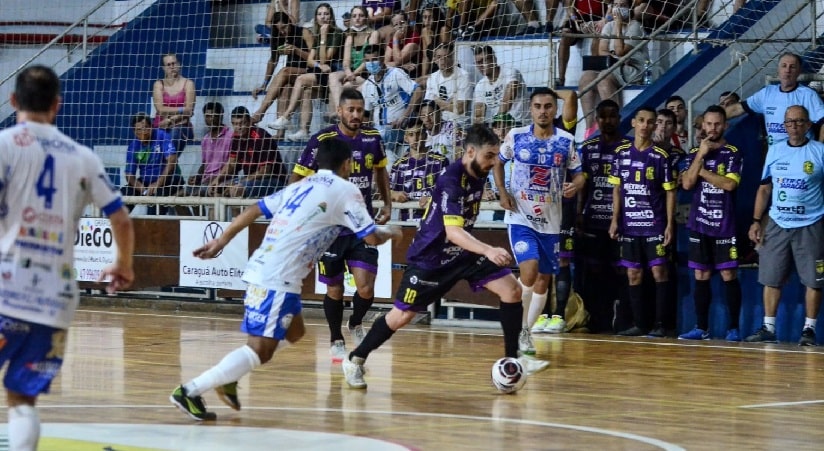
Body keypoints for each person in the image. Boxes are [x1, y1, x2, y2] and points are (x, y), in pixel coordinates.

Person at [170, 138, 401, 421]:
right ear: (347, 164)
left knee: (295, 331)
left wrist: (221, 240)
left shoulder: (301, 185)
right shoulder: (347, 189)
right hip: (276, 278)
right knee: (260, 350)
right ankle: (190, 390)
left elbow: (255, 209)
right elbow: (371, 237)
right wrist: (392, 231)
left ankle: (231, 374)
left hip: (267, 270)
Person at [341, 124, 550, 389]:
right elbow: (453, 232)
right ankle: (355, 359)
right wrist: (488, 249)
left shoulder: (478, 172)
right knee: (400, 317)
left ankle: (512, 359)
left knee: (511, 291)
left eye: (497, 155)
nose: (494, 161)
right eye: (489, 155)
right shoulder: (452, 179)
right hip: (431, 259)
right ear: (471, 152)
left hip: (461, 254)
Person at [0, 65, 134, 450]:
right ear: (57, 105)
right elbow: (121, 219)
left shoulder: (5, 145)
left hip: (6, 288)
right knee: (22, 400)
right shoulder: (83, 157)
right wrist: (123, 263)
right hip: (54, 298)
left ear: (13, 101)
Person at [291, 88, 392, 362]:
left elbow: (381, 172)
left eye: (360, 110)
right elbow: (297, 178)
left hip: (362, 226)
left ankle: (355, 321)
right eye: (351, 110)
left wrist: (387, 203)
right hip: (330, 229)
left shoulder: (372, 139)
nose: (356, 115)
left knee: (366, 288)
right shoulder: (322, 140)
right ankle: (336, 337)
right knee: (334, 289)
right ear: (340, 111)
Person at [493, 88, 585, 352]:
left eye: (547, 106)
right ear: (530, 109)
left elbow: (579, 174)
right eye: (537, 106)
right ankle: (516, 329)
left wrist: (575, 186)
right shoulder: (517, 136)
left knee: (543, 279)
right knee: (530, 271)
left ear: (554, 110)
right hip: (521, 217)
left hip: (552, 220)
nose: (542, 111)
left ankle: (525, 331)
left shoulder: (566, 141)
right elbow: (498, 163)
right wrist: (502, 191)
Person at [746, 105, 824, 346]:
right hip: (778, 223)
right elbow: (764, 188)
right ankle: (768, 327)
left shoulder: (819, 151)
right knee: (771, 277)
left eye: (799, 121)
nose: (794, 126)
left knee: (813, 280)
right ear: (784, 125)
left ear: (808, 125)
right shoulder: (776, 150)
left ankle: (809, 330)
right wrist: (756, 221)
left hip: (810, 224)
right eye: (789, 122)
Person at [608, 106, 676, 337]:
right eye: (642, 120)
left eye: (651, 122)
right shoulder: (622, 154)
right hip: (629, 224)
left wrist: (669, 224)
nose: (646, 125)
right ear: (634, 123)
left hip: (654, 223)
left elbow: (670, 192)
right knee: (633, 274)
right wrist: (614, 220)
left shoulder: (661, 156)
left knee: (659, 271)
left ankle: (662, 324)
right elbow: (617, 189)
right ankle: (639, 323)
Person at [678, 105, 743, 341]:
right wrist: (700, 156)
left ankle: (733, 328)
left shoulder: (734, 152)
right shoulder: (695, 152)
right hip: (699, 224)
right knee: (701, 276)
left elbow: (729, 185)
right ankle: (701, 328)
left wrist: (703, 172)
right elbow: (686, 183)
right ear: (702, 125)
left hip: (724, 224)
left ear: (725, 125)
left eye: (717, 124)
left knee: (728, 276)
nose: (713, 128)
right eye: (709, 124)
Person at [575, 99, 632, 333]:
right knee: (595, 272)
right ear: (596, 119)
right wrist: (579, 212)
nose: (607, 121)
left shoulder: (629, 147)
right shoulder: (587, 149)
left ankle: (623, 321)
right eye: (603, 116)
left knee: (622, 271)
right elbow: (582, 184)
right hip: (594, 220)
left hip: (623, 223)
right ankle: (596, 320)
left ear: (619, 118)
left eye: (612, 116)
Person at [270, 3, 346, 141]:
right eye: (320, 14)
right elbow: (312, 61)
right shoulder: (316, 34)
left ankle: (286, 116)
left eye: (326, 14)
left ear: (331, 16)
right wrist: (318, 64)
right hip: (322, 73)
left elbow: (325, 58)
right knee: (306, 90)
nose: (323, 17)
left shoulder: (337, 33)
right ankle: (304, 130)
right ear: (316, 17)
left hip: (335, 72)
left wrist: (323, 38)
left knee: (300, 79)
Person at [725, 52, 824, 148]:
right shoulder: (767, 93)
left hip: (802, 154)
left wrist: (818, 149)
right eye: (784, 66)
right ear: (778, 70)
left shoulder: (807, 95)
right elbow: (737, 109)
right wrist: (714, 117)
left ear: (798, 71)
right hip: (775, 156)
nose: (787, 70)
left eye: (792, 67)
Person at [578, 0, 647, 130]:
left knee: (604, 77)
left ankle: (614, 126)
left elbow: (621, 51)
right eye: (616, 5)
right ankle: (590, 128)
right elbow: (601, 50)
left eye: (623, 6)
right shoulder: (608, 26)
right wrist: (614, 55)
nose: (619, 8)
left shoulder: (635, 26)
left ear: (629, 7)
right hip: (613, 65)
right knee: (586, 79)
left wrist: (618, 26)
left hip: (632, 68)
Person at [359, 44, 424, 164]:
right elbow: (367, 114)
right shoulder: (367, 85)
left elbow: (418, 91)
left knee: (379, 139)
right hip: (380, 132)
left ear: (382, 58)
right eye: (367, 61)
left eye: (374, 59)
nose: (371, 63)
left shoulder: (396, 74)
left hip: (401, 128)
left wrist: (404, 116)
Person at [250, 12, 312, 138]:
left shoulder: (304, 32)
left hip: (310, 71)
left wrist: (295, 50)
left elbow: (314, 59)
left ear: (289, 22)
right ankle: (280, 132)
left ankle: (261, 111)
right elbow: (273, 60)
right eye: (279, 29)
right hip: (294, 75)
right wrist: (264, 84)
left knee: (285, 71)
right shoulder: (279, 36)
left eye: (284, 28)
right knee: (285, 88)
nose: (282, 32)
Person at [207, 106, 287, 198]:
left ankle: (244, 211)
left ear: (249, 122)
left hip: (273, 180)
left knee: (235, 190)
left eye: (242, 123)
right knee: (218, 190)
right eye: (235, 124)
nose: (238, 127)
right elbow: (231, 163)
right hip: (251, 179)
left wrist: (241, 182)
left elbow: (265, 172)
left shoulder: (261, 137)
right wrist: (218, 179)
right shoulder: (236, 137)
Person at [122, 112, 186, 215]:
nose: (143, 132)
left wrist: (158, 183)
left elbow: (172, 161)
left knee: (154, 201)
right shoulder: (133, 146)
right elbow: (129, 175)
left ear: (152, 127)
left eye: (146, 128)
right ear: (134, 131)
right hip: (146, 183)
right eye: (139, 130)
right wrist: (140, 187)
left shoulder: (162, 136)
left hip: (169, 179)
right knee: (123, 196)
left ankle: (153, 228)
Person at [327, 6, 381, 119]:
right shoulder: (350, 35)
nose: (357, 19)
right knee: (332, 77)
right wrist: (348, 72)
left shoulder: (373, 34)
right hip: (351, 73)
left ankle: (339, 115)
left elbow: (369, 59)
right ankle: (339, 110)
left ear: (366, 18)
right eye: (354, 16)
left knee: (341, 88)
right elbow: (346, 61)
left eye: (361, 16)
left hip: (366, 72)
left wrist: (353, 74)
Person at [390, 120, 450, 221]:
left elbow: (450, 190)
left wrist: (433, 198)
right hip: (408, 222)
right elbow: (385, 192)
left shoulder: (441, 161)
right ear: (405, 138)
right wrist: (394, 194)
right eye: (411, 134)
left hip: (434, 221)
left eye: (419, 133)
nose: (416, 138)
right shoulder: (398, 165)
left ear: (425, 135)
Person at [556, 0, 609, 87]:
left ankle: (593, 75)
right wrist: (573, 16)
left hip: (599, 19)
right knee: (565, 36)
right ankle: (561, 79)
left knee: (597, 35)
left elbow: (611, 6)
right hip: (579, 19)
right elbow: (569, 6)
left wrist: (605, 20)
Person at [472, 45, 528, 126]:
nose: (481, 65)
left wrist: (496, 122)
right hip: (499, 125)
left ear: (494, 59)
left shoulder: (511, 72)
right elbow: (479, 114)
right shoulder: (480, 85)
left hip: (519, 123)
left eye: (484, 60)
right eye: (478, 62)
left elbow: (508, 100)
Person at [152, 52, 195, 154]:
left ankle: (169, 164)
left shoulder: (188, 84)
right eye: (168, 64)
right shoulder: (158, 84)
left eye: (174, 63)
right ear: (164, 68)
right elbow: (160, 110)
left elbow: (189, 111)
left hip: (182, 126)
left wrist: (170, 120)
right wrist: (181, 109)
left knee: (174, 134)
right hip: (160, 125)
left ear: (179, 64)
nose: (172, 67)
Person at [188, 102, 233, 196]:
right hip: (206, 180)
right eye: (207, 116)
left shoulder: (230, 136)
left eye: (214, 116)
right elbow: (205, 164)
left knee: (199, 194)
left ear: (221, 116)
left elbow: (232, 163)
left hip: (223, 179)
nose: (211, 119)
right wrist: (198, 176)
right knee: (180, 196)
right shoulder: (205, 139)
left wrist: (218, 177)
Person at [425, 43, 472, 131]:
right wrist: (450, 103)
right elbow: (428, 107)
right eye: (439, 57)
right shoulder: (432, 78)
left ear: (453, 58)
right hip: (438, 124)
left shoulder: (463, 76)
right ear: (434, 59)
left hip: (459, 125)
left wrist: (437, 100)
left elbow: (460, 109)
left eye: (447, 56)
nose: (443, 61)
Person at [384, 11, 424, 80]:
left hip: (410, 76)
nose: (399, 26)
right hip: (394, 75)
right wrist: (402, 65)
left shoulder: (414, 37)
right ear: (393, 28)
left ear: (408, 23)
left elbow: (399, 59)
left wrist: (395, 38)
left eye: (402, 23)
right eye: (396, 24)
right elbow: (385, 63)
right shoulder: (392, 41)